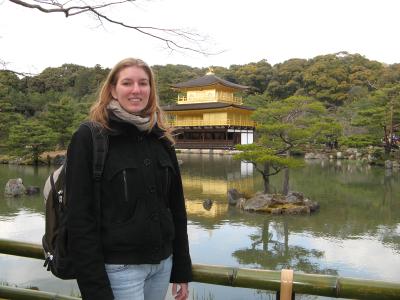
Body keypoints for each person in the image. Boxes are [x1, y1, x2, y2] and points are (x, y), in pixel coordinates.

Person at [65, 58, 192, 300]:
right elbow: (80, 219)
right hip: (118, 269)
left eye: (143, 83)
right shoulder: (91, 137)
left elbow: (176, 207)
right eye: (127, 83)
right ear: (112, 89)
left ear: (151, 90)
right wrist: (96, 291)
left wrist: (181, 269)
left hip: (162, 265)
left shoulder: (161, 137)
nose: (136, 90)